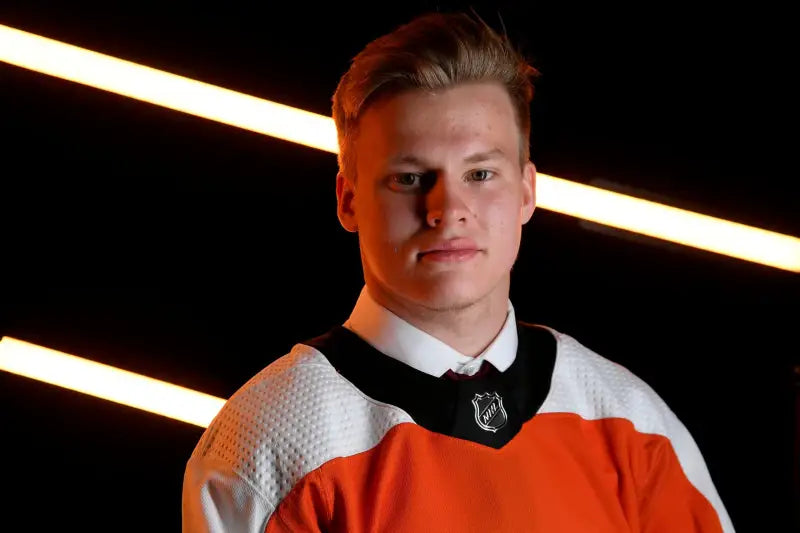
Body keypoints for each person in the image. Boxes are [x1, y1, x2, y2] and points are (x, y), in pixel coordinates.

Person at [182, 11, 734, 532]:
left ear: (526, 192)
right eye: (408, 178)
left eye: (481, 173)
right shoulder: (270, 441)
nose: (447, 208)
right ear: (347, 200)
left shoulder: (631, 422)